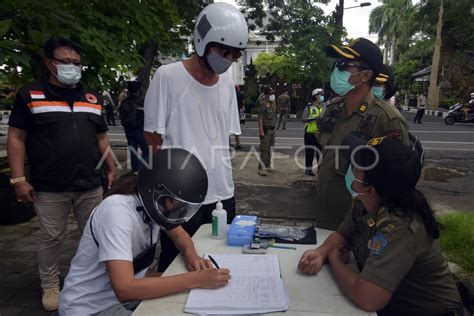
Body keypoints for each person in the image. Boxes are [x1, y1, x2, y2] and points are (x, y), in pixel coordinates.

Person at [298, 134, 464, 316]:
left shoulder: (399, 228)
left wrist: (335, 260)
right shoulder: (366, 202)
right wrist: (320, 253)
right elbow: (343, 234)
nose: (350, 166)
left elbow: (368, 298)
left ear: (369, 189)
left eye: (357, 165)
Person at [7, 36, 116, 311]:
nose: (72, 67)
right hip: (49, 186)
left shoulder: (90, 98)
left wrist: (112, 167)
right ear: (49, 63)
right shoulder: (31, 95)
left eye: (76, 63)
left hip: (90, 184)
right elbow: (17, 138)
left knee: (95, 235)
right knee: (51, 237)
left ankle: (96, 281)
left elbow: (101, 138)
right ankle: (50, 285)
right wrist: (19, 179)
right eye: (65, 62)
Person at [59, 148, 231, 315]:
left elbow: (179, 236)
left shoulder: (156, 206)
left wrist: (192, 256)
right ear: (156, 190)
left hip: (124, 297)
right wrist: (196, 280)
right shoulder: (117, 213)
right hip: (91, 307)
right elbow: (124, 289)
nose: (180, 212)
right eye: (177, 205)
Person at [143, 2, 247, 272]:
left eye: (234, 54)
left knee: (221, 260)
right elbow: (152, 139)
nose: (228, 58)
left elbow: (222, 137)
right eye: (223, 50)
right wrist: (162, 191)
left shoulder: (227, 84)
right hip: (179, 194)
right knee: (175, 265)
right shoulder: (167, 76)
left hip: (222, 192)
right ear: (202, 41)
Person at [317, 38, 409, 229]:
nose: (337, 70)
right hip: (326, 213)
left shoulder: (387, 119)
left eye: (343, 65)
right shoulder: (333, 110)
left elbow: (399, 181)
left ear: (365, 75)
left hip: (361, 225)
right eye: (336, 64)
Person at [119, 81, 150, 172]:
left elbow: (121, 115)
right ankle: (141, 168)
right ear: (139, 90)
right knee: (147, 151)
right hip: (141, 130)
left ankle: (135, 169)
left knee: (133, 150)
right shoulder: (143, 101)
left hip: (129, 130)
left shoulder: (125, 102)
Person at [302, 88, 323, 176]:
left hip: (320, 134)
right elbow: (304, 119)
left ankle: (321, 170)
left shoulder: (323, 107)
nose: (322, 97)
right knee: (309, 152)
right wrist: (314, 119)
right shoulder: (309, 106)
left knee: (320, 153)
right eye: (320, 95)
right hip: (310, 133)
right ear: (315, 96)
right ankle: (308, 170)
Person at [257, 87, 277, 176]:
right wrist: (261, 131)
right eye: (271, 93)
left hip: (272, 129)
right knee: (264, 149)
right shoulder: (263, 104)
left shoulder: (273, 104)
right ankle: (261, 168)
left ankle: (267, 166)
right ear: (267, 94)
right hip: (266, 129)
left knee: (270, 148)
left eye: (273, 93)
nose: (273, 95)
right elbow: (260, 118)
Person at [233, 84, 244, 149]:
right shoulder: (240, 94)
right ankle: (238, 144)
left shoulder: (231, 94)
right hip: (238, 111)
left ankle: (228, 143)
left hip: (231, 112)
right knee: (237, 127)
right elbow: (242, 103)